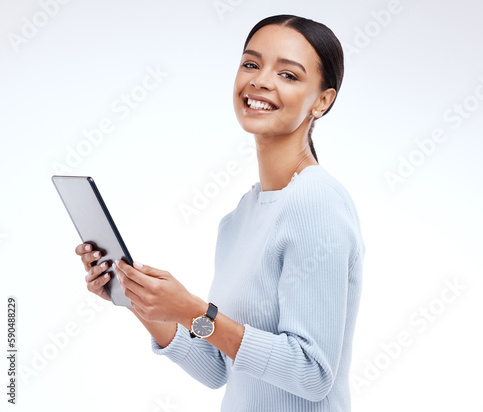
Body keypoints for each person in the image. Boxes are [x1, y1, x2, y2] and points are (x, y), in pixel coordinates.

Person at [76, 14, 365, 412]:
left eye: (288, 75)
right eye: (251, 64)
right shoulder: (239, 218)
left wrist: (192, 309)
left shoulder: (317, 203)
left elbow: (312, 374)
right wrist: (139, 299)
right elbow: (217, 368)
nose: (260, 80)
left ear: (322, 100)